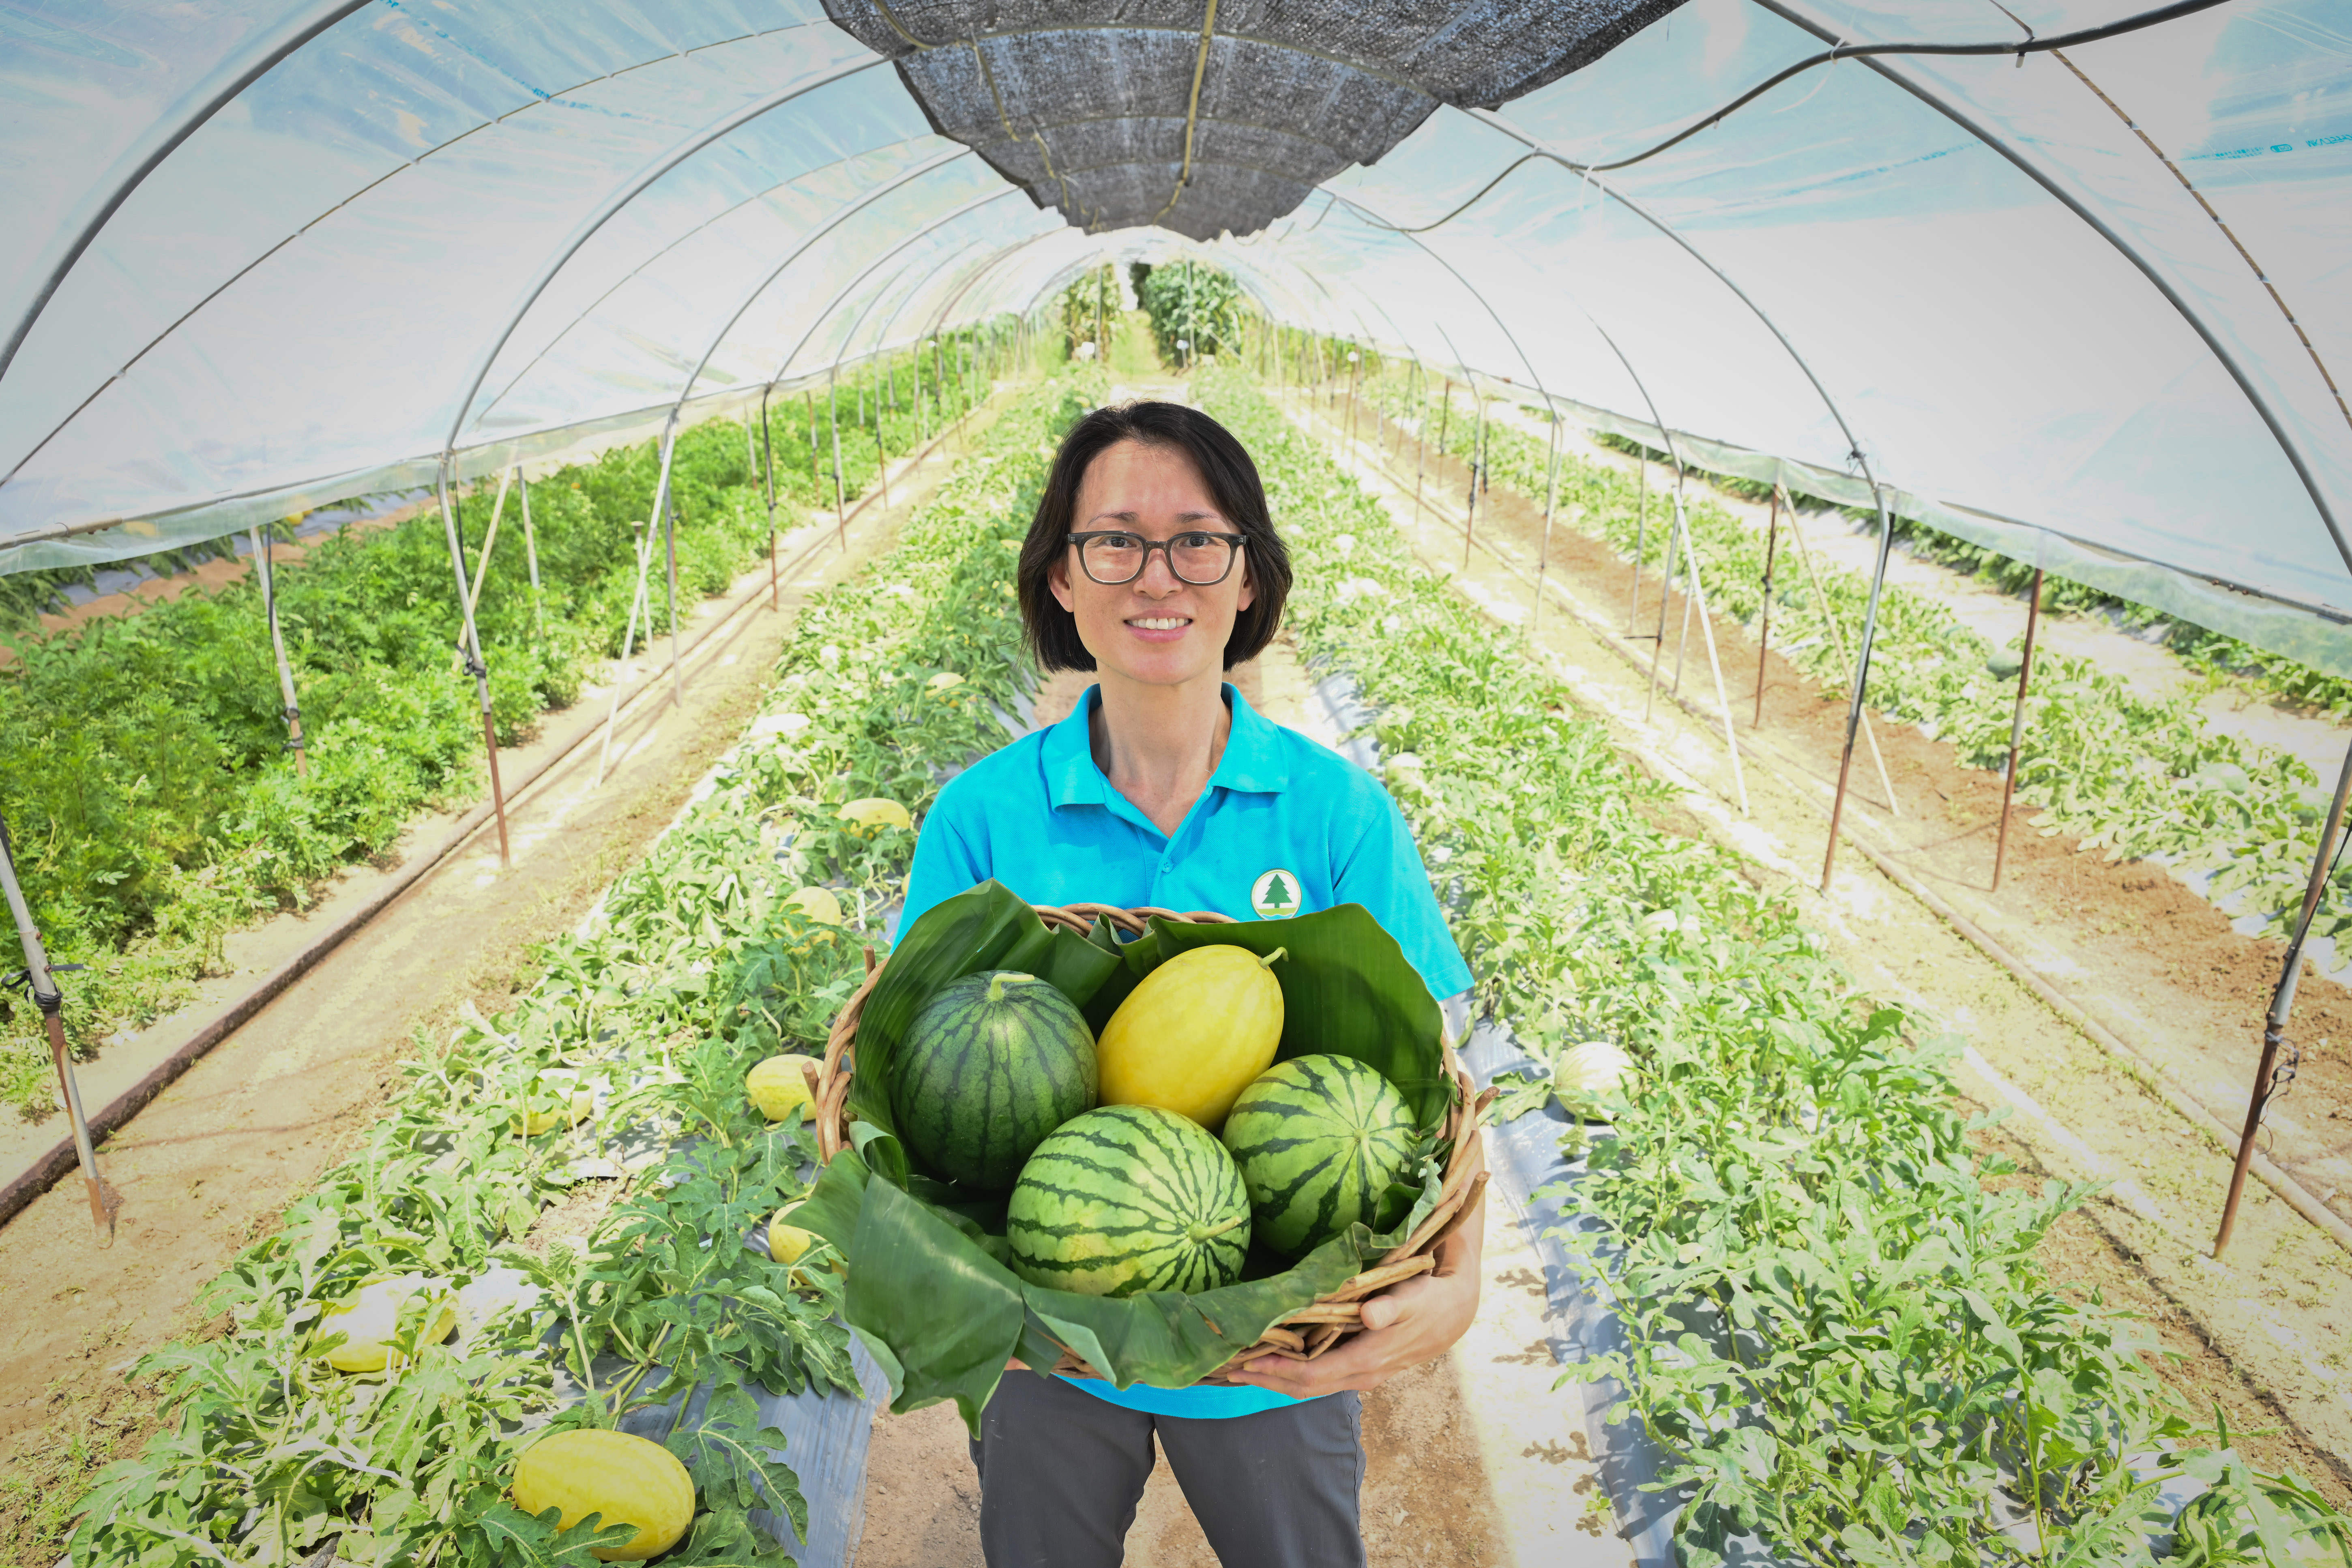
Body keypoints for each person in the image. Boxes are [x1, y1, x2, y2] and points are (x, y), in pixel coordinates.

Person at [898, 399, 1481, 1568]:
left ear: (1249, 577)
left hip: (1273, 1345)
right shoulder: (981, 816)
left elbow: (1437, 1075)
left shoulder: (1336, 812)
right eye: (1112, 539)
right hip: (1048, 1335)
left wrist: (1463, 1277)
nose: (1155, 575)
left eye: (1197, 539)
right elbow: (913, 1077)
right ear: (1060, 578)